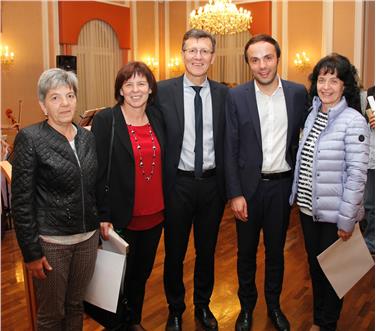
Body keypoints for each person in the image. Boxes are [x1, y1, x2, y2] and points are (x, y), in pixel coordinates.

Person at [225, 34, 308, 331]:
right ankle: (246, 308)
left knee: (276, 253)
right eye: (255, 60)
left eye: (268, 58)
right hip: (248, 190)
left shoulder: (299, 93)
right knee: (245, 254)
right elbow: (229, 147)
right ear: (248, 63)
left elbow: (315, 128)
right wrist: (235, 193)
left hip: (282, 189)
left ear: (278, 58)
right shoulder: (236, 96)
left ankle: (274, 306)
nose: (262, 65)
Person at [11, 68, 99, 330]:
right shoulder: (31, 138)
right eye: (55, 97)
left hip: (87, 239)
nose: (65, 103)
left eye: (70, 95)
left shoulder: (87, 137)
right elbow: (21, 202)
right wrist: (31, 253)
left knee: (75, 307)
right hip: (52, 243)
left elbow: (93, 187)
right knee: (51, 315)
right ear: (43, 105)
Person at [289, 53, 369, 331]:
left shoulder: (353, 120)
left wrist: (347, 220)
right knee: (315, 269)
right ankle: (318, 320)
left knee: (334, 272)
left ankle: (327, 324)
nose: (326, 86)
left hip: (336, 216)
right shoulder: (314, 113)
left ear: (344, 85)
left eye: (333, 80)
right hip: (310, 209)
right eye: (322, 79)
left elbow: (357, 175)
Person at [155, 29, 228, 331]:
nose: (198, 56)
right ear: (182, 53)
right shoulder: (161, 91)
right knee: (174, 253)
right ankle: (175, 309)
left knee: (207, 251)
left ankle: (202, 304)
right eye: (192, 50)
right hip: (177, 186)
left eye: (204, 51)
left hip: (213, 186)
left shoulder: (226, 94)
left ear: (212, 56)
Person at [91, 61, 165, 331]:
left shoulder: (157, 117)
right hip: (121, 216)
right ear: (120, 90)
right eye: (129, 84)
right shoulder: (106, 120)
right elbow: (98, 171)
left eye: (141, 84)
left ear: (150, 89)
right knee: (117, 279)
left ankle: (134, 321)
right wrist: (103, 214)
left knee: (140, 276)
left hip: (155, 214)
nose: (135, 90)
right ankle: (115, 326)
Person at [362, 86, 375, 254]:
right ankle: (370, 240)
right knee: (369, 203)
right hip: (371, 154)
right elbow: (367, 114)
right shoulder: (372, 91)